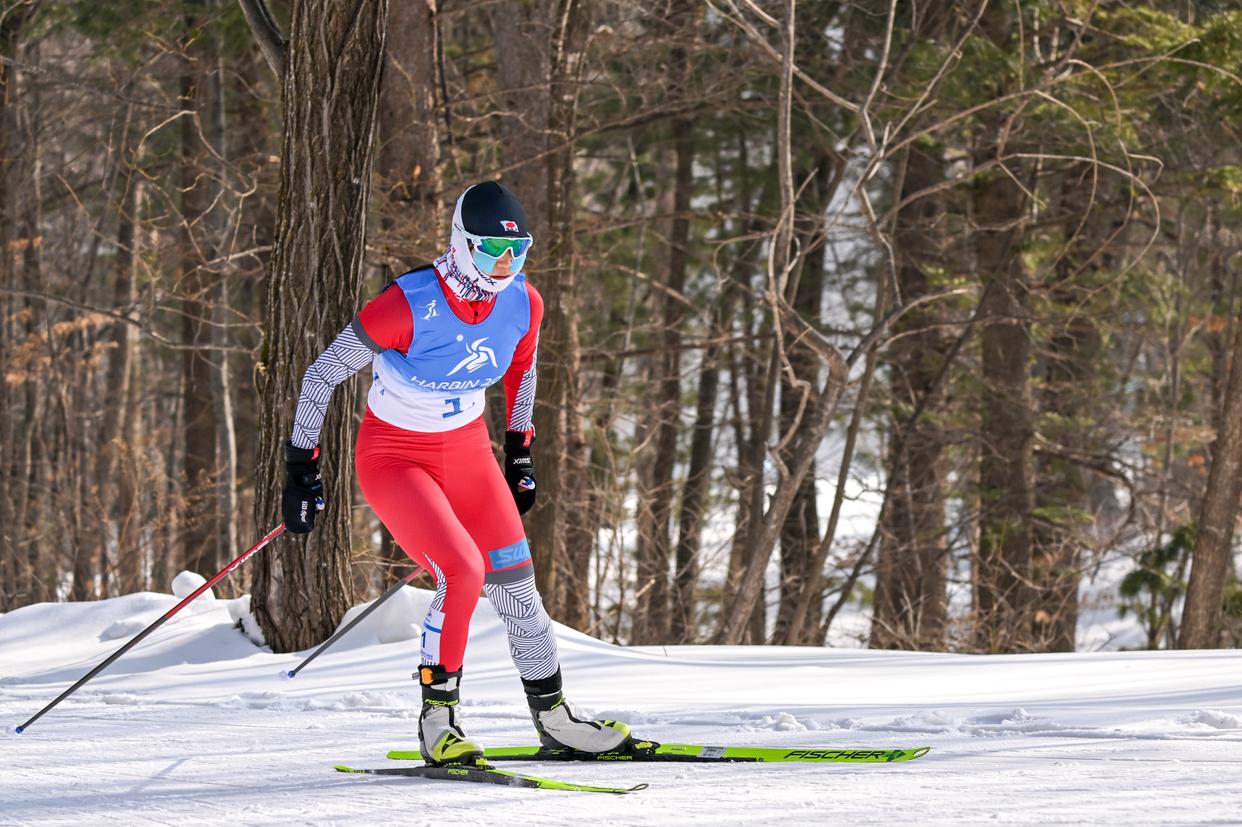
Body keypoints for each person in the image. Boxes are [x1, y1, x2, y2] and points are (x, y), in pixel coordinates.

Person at [280, 181, 631, 765]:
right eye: (491, 251)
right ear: (462, 244)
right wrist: (302, 469)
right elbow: (322, 375)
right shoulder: (406, 304)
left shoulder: (524, 303)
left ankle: (556, 719)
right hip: (395, 456)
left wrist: (519, 453)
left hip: (468, 452)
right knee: (463, 571)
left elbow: (524, 373)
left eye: (515, 254)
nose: (503, 266)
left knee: (519, 587)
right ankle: (438, 723)